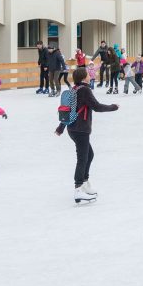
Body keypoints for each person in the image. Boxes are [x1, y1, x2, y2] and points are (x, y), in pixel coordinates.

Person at [55, 68, 119, 204]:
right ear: (84, 78)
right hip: (81, 129)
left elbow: (68, 111)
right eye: (89, 75)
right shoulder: (84, 90)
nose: (91, 76)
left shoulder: (74, 89)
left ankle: (84, 183)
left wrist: (61, 127)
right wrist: (113, 107)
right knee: (83, 158)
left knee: (89, 155)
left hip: (73, 129)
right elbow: (96, 106)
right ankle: (78, 189)